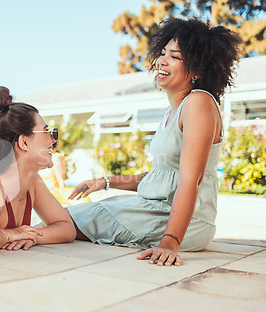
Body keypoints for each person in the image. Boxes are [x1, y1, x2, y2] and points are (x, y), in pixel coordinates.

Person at [67, 18, 242, 266]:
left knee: (67, 220)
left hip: (185, 223)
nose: (162, 61)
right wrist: (105, 182)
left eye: (175, 56)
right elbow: (162, 177)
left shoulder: (198, 102)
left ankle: (10, 233)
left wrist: (170, 241)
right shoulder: (174, 111)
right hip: (157, 209)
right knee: (74, 215)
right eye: (162, 53)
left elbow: (189, 179)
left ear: (198, 70)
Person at [0, 86, 76, 257]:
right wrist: (12, 234)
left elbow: (66, 228)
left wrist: (32, 236)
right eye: (46, 131)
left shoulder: (33, 182)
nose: (53, 138)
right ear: (24, 143)